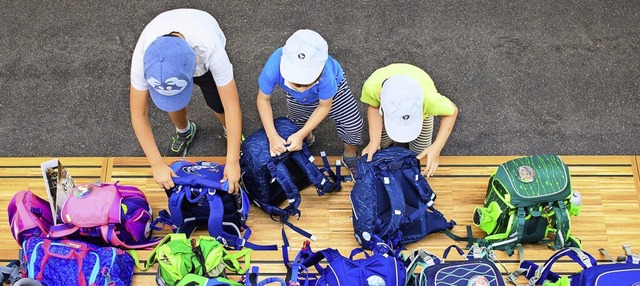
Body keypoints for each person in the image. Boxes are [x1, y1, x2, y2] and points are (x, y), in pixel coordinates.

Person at [129, 9, 243, 193]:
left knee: (218, 103)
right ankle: (184, 131)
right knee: (174, 103)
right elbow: (138, 113)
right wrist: (156, 164)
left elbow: (232, 105)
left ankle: (229, 132)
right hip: (173, 52)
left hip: (203, 41)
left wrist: (233, 160)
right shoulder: (143, 58)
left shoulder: (210, 49)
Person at [256, 29, 363, 176]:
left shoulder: (327, 77)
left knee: (352, 125)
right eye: (296, 84)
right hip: (297, 100)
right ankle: (306, 138)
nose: (301, 90)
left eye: (307, 84)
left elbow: (324, 106)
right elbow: (263, 99)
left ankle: (350, 156)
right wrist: (272, 135)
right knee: (298, 123)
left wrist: (300, 134)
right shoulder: (273, 67)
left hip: (335, 94)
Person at [360, 63, 458, 177]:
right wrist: (374, 141)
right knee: (382, 143)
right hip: (387, 101)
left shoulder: (430, 100)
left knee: (420, 149)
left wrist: (437, 148)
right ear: (380, 97)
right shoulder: (372, 87)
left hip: (423, 111)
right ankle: (388, 147)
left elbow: (452, 112)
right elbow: (374, 107)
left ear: (422, 105)